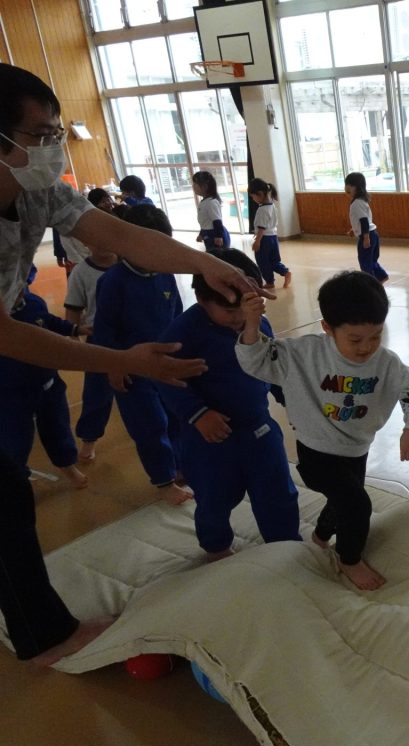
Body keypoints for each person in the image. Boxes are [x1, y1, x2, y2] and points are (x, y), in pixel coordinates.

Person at [0, 62, 265, 666]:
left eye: (56, 133)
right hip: (14, 336)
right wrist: (122, 360)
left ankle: (38, 628)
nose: (52, 148)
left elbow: (120, 233)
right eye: (39, 135)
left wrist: (206, 263)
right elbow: (7, 336)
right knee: (5, 495)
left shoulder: (39, 190)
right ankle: (43, 635)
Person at [236, 270, 409, 590]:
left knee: (342, 498)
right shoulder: (302, 353)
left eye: (376, 336)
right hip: (316, 452)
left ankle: (321, 535)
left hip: (356, 449)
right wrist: (251, 323)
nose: (366, 347)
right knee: (357, 503)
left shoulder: (386, 363)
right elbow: (256, 360)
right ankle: (349, 559)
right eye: (355, 339)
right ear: (327, 328)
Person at [158, 248, 300, 559]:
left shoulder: (258, 324)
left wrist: (292, 402)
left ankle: (286, 543)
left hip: (258, 426)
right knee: (214, 498)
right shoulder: (182, 333)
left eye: (247, 310)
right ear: (201, 299)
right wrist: (198, 414)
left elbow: (274, 366)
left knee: (277, 490)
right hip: (209, 438)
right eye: (229, 312)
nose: (240, 319)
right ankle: (217, 547)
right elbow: (166, 379)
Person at [91, 204, 191, 505]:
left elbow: (177, 316)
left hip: (165, 364)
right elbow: (103, 330)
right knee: (150, 424)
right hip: (132, 369)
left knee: (175, 417)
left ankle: (179, 466)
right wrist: (114, 366)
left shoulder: (165, 274)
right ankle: (163, 481)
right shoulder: (113, 281)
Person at [0, 289, 89, 488]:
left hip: (48, 385)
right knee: (13, 441)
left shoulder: (33, 302)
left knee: (58, 428)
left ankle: (67, 465)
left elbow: (48, 322)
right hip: (10, 396)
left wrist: (75, 329)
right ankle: (17, 480)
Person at [64, 197, 119, 463]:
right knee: (97, 393)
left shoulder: (128, 266)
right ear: (85, 242)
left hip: (133, 335)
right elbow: (73, 308)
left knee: (148, 386)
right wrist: (73, 336)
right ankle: (89, 437)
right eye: (96, 239)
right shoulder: (81, 273)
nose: (103, 243)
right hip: (99, 339)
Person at [344, 172, 388, 283]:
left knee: (365, 262)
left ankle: (371, 284)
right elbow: (363, 220)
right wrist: (354, 230)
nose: (348, 187)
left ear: (359, 188)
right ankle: (381, 276)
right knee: (371, 260)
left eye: (351, 185)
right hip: (372, 233)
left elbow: (364, 221)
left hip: (368, 235)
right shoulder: (361, 201)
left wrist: (366, 237)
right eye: (347, 184)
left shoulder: (356, 203)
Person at [249, 177, 291, 291]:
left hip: (264, 240)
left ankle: (269, 282)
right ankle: (285, 272)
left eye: (253, 196)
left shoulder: (262, 209)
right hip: (273, 237)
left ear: (260, 194)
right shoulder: (271, 205)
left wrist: (257, 241)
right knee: (273, 260)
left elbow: (262, 228)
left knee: (263, 261)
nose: (253, 199)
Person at [192, 170, 230, 252]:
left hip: (214, 234)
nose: (193, 186)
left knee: (218, 256)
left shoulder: (211, 202)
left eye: (195, 184)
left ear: (205, 186)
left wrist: (218, 236)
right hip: (208, 234)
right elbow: (206, 223)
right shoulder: (205, 201)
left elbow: (217, 221)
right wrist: (201, 234)